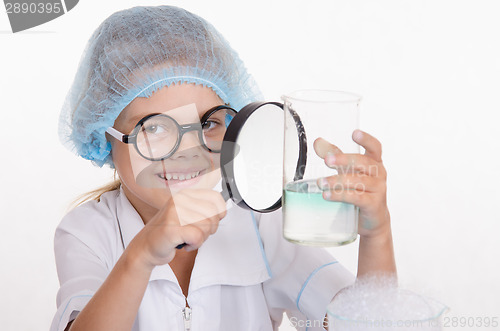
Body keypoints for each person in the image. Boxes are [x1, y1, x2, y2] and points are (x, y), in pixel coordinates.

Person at [51, 5, 396, 331]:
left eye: (209, 123)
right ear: (103, 139)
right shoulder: (87, 234)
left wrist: (377, 234)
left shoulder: (261, 225)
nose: (189, 151)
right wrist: (140, 255)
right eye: (153, 128)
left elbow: (360, 324)